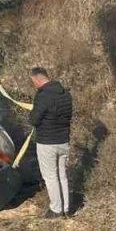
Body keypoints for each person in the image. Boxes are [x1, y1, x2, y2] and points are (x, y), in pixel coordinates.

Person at [28, 67, 73, 218]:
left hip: (47, 142)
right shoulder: (65, 93)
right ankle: (66, 208)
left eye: (33, 82)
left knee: (50, 177)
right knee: (62, 175)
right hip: (63, 141)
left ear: (37, 79)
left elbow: (34, 120)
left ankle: (56, 209)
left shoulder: (42, 96)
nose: (34, 85)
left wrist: (32, 113)